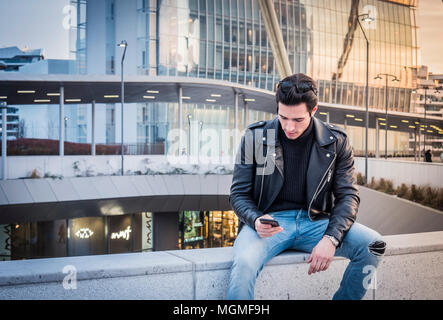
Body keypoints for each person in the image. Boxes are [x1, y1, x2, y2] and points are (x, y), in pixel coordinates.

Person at [227, 73, 386, 300]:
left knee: (373, 245)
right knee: (243, 264)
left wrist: (331, 238)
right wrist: (255, 219)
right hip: (268, 225)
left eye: (298, 120)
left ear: (314, 110)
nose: (289, 127)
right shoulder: (255, 137)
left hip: (316, 223)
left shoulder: (336, 140)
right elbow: (238, 194)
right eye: (283, 117)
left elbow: (348, 196)